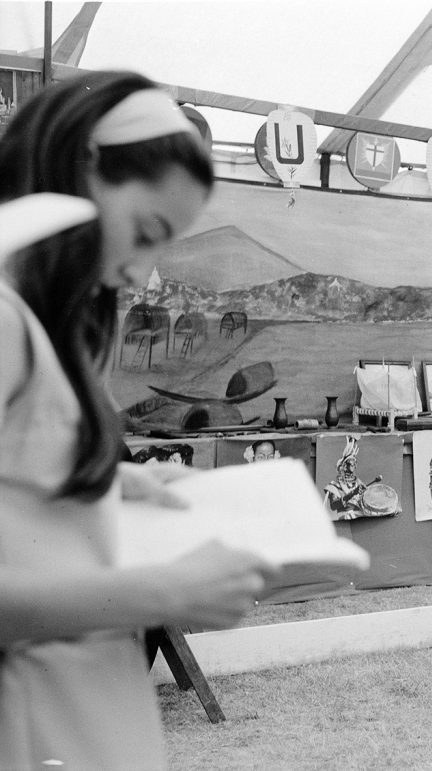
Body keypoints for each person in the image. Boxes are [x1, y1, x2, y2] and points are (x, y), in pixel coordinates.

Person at [0, 71, 277, 768]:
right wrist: (157, 591)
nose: (143, 270)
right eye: (146, 231)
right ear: (82, 168)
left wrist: (110, 491)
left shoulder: (40, 326)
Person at [323, 436, 370, 519]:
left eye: (356, 463)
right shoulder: (334, 485)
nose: (355, 465)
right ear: (344, 466)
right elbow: (333, 506)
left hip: (359, 520)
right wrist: (352, 493)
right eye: (352, 463)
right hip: (343, 518)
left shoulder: (358, 483)